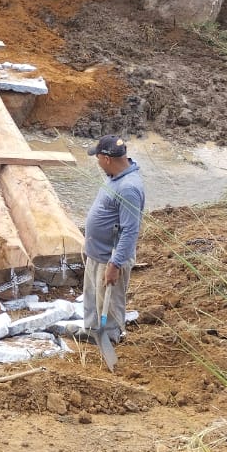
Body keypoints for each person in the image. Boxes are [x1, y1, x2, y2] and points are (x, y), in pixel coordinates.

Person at [82, 134, 145, 347]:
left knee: (109, 303)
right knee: (93, 298)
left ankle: (110, 339)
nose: (98, 163)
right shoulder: (114, 176)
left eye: (98, 158)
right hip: (97, 253)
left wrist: (115, 264)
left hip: (110, 257)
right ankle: (92, 333)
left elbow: (129, 231)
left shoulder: (128, 188)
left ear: (107, 158)